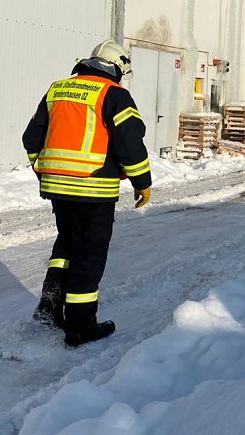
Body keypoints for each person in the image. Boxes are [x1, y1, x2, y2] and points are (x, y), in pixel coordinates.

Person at [23, 40, 151, 348]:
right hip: (93, 189)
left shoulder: (57, 90)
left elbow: (31, 139)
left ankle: (50, 306)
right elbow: (129, 143)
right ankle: (80, 326)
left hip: (57, 188)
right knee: (89, 254)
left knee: (67, 244)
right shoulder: (114, 94)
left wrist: (45, 171)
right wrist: (141, 183)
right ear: (117, 68)